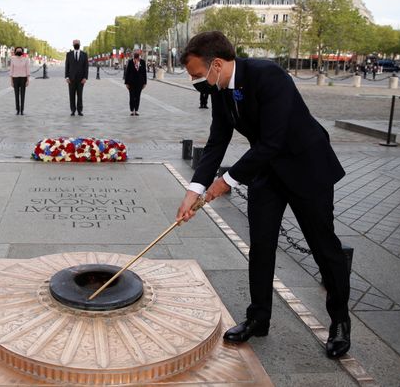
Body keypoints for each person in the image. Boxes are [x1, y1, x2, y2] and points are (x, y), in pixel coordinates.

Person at [176, 31, 351, 359]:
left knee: (324, 247)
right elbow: (217, 141)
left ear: (216, 64)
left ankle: (340, 321)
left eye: (198, 75)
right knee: (261, 246)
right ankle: (258, 317)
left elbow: (273, 140)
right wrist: (193, 190)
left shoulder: (268, 75)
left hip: (306, 166)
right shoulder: (219, 89)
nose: (197, 82)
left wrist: (225, 181)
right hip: (267, 171)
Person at [65, 39, 89, 116]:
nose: (76, 44)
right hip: (71, 79)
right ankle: (72, 110)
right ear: (73, 45)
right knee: (71, 95)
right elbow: (67, 66)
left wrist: (85, 77)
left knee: (80, 95)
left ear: (80, 44)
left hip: (81, 79)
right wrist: (66, 77)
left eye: (77, 43)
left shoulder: (84, 54)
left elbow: (86, 67)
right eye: (75, 43)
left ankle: (80, 110)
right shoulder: (69, 54)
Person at [124, 50, 147, 116]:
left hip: (140, 82)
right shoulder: (130, 62)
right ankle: (132, 110)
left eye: (138, 53)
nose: (137, 54)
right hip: (131, 83)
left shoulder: (142, 62)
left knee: (137, 96)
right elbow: (127, 73)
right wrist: (126, 83)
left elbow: (144, 73)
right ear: (134, 55)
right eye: (135, 53)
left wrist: (145, 83)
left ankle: (136, 110)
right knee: (131, 96)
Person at [9, 47, 30, 115]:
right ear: (15, 51)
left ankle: (22, 110)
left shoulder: (26, 59)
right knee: (16, 94)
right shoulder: (12, 59)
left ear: (22, 51)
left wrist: (28, 80)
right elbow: (11, 70)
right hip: (15, 78)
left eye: (20, 51)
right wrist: (11, 81)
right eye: (17, 51)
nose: (18, 52)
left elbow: (27, 69)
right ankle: (17, 109)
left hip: (23, 78)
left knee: (23, 95)